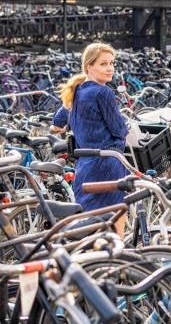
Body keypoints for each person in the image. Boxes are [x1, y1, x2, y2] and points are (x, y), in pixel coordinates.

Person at [56, 43, 129, 236]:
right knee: (116, 215)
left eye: (112, 63)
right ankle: (117, 259)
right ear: (89, 66)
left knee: (87, 222)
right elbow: (119, 129)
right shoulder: (103, 92)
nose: (110, 68)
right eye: (103, 64)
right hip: (107, 162)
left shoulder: (77, 89)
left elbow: (57, 122)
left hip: (85, 165)